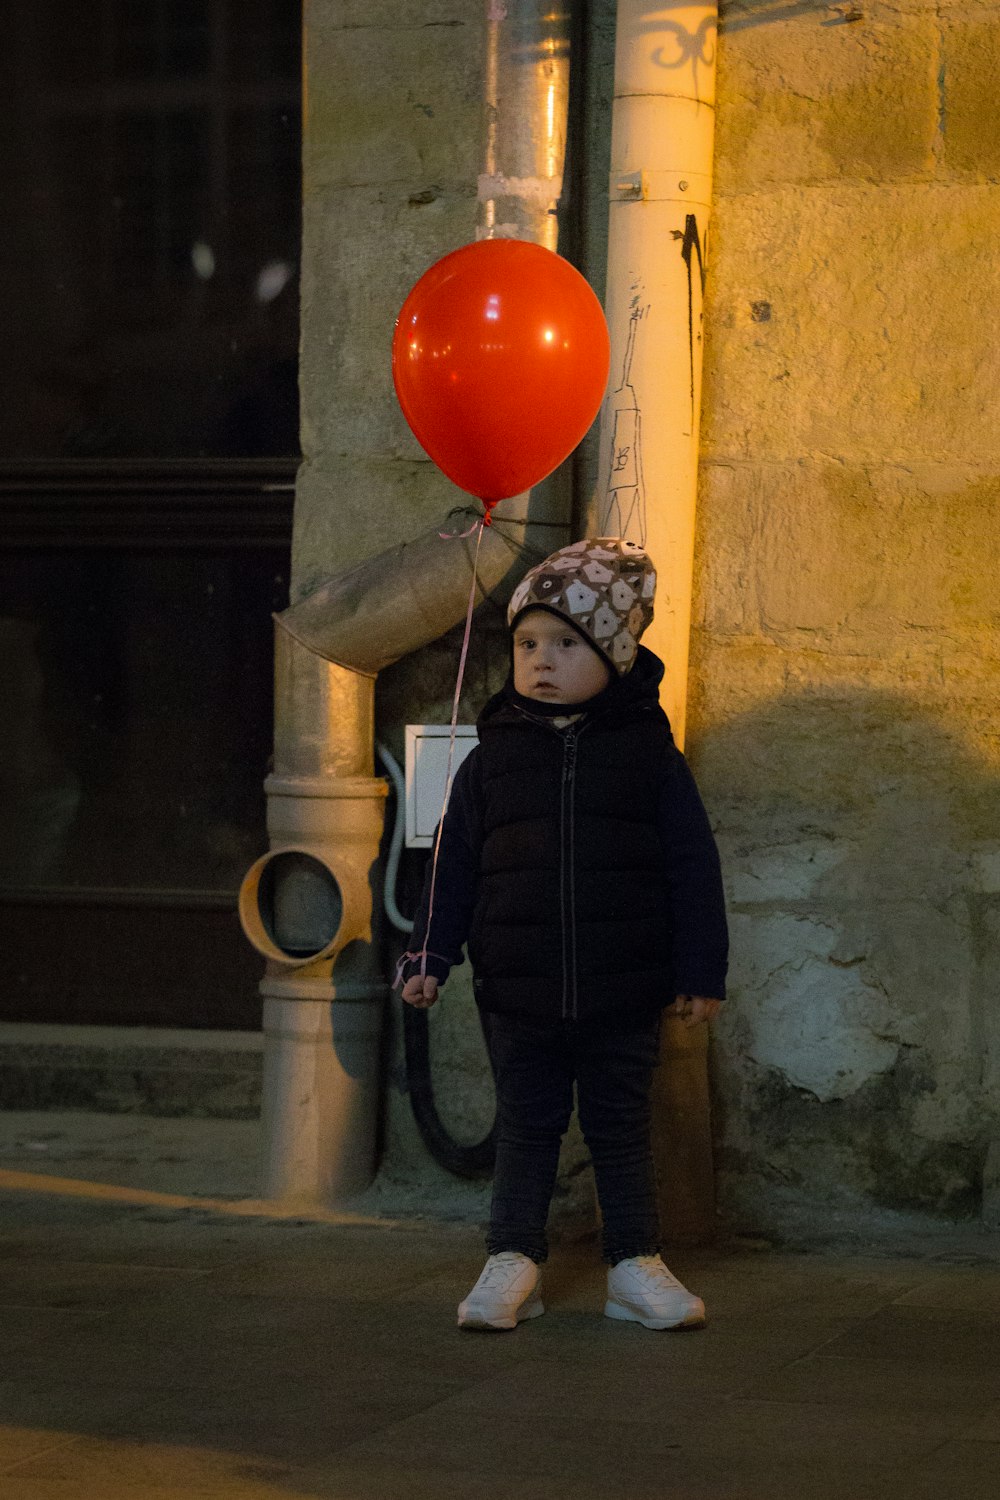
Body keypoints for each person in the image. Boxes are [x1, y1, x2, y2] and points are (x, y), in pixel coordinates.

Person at [400, 538, 728, 1332]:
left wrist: (701, 971)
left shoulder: (649, 756)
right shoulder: (492, 761)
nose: (541, 661)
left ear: (613, 655)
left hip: (626, 985)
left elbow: (692, 864)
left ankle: (633, 1265)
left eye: (566, 644)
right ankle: (512, 1260)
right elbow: (454, 864)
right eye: (526, 644)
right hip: (518, 988)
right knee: (528, 1124)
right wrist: (431, 952)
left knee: (620, 1126)